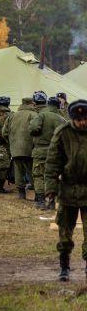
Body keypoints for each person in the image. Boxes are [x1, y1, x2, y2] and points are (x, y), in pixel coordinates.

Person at [45, 99, 87, 282]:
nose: (83, 123)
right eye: (78, 120)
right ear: (72, 119)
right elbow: (53, 162)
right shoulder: (62, 133)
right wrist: (50, 190)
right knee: (64, 234)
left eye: (85, 118)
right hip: (68, 190)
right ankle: (64, 267)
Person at [30, 95, 66, 210]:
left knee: (38, 175)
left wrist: (37, 135)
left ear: (48, 104)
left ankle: (40, 200)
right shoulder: (62, 119)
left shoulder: (42, 115)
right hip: (56, 152)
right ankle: (51, 201)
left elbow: (33, 128)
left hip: (40, 149)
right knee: (52, 177)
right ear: (58, 106)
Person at [3, 97, 36, 200]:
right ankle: (38, 195)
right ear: (31, 104)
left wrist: (12, 142)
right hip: (29, 148)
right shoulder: (34, 115)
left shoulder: (12, 116)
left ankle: (21, 194)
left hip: (15, 149)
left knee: (18, 170)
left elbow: (4, 132)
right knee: (32, 171)